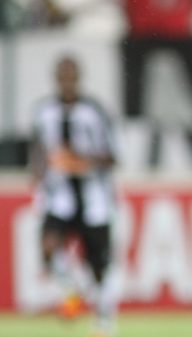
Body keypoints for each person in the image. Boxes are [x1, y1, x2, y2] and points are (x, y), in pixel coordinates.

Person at [30, 56, 119, 337]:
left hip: (94, 198)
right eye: (62, 76)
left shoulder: (94, 111)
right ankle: (72, 289)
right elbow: (39, 149)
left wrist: (81, 161)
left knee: (99, 265)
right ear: (56, 79)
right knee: (47, 247)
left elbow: (112, 156)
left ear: (78, 78)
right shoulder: (43, 111)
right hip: (59, 196)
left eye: (71, 76)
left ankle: (103, 321)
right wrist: (38, 172)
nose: (66, 81)